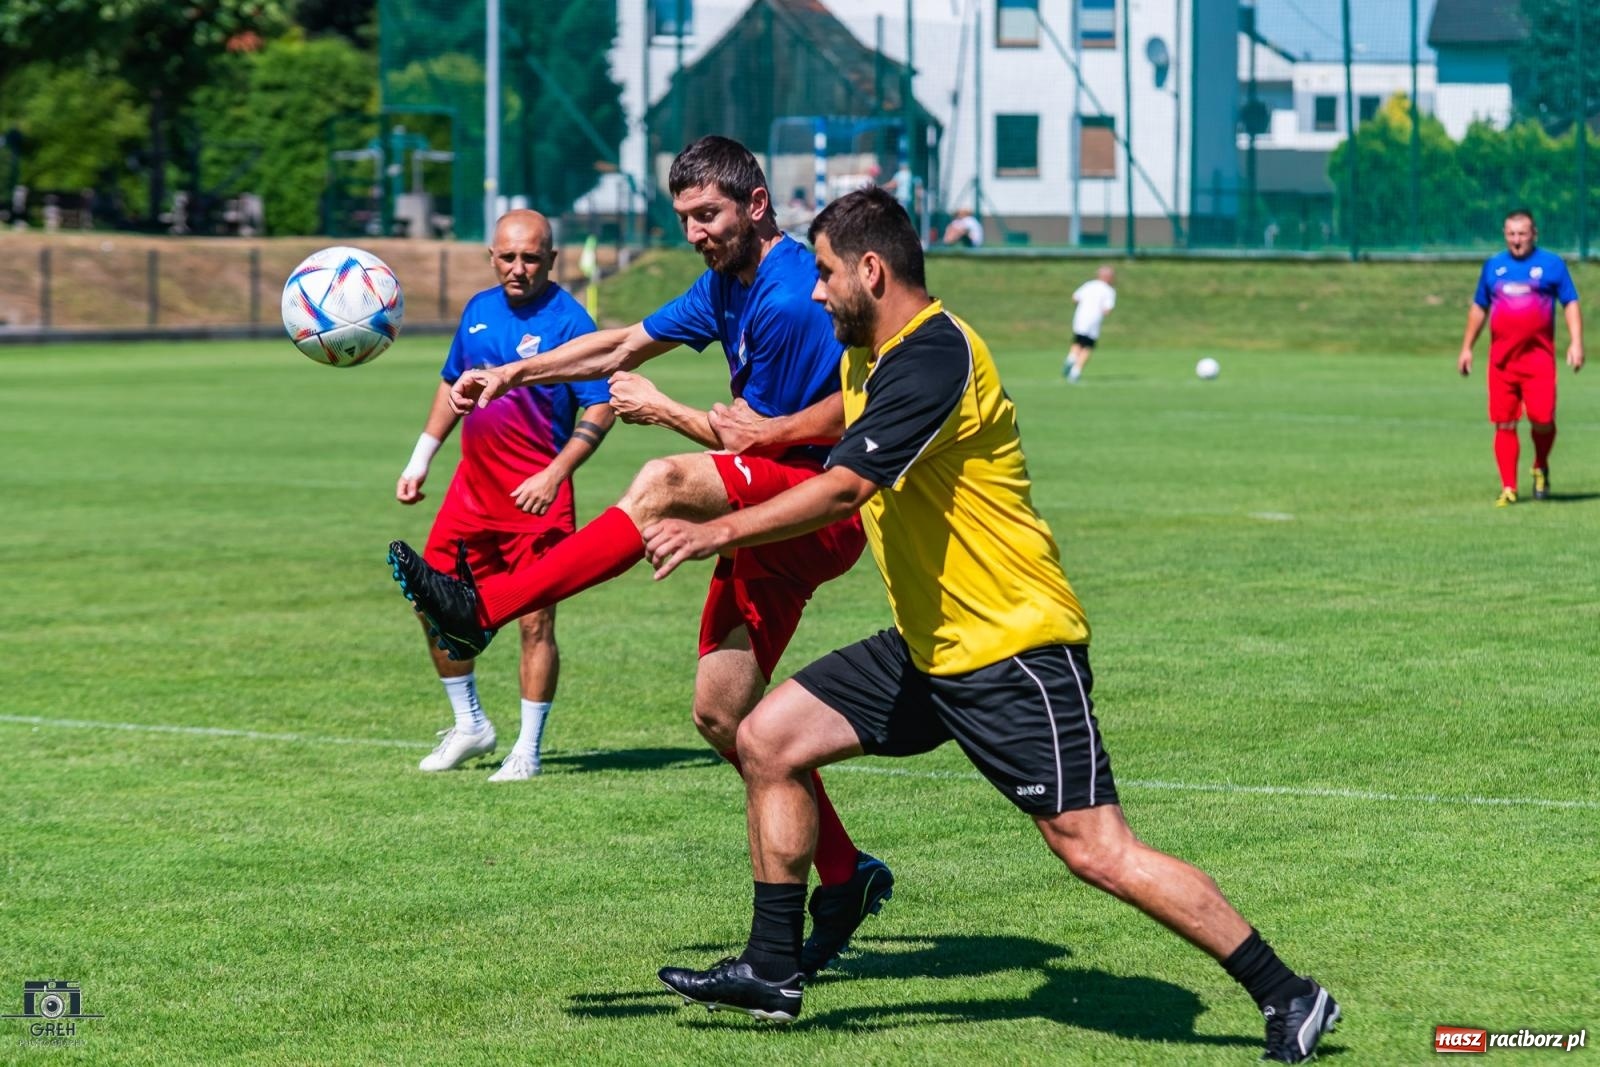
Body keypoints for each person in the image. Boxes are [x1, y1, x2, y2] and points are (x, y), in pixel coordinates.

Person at [646, 188, 1340, 1065]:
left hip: (1011, 649)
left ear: (871, 270)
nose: (815, 292)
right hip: (928, 645)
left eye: (824, 273)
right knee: (767, 738)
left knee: (1096, 849)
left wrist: (713, 529)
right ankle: (772, 968)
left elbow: (845, 487)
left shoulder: (933, 354)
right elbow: (836, 424)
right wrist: (764, 425)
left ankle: (1290, 992)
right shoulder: (869, 352)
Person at [386, 136, 894, 972]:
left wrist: (664, 409)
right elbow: (621, 344)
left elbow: (746, 436)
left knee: (658, 478)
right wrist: (515, 377)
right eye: (686, 217)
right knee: (725, 715)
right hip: (767, 516)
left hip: (815, 510)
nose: (695, 231)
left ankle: (483, 609)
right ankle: (845, 875)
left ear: (755, 205)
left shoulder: (789, 298)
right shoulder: (725, 283)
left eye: (709, 216)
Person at [395, 210, 616, 780]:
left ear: (552, 259)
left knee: (534, 624)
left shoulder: (572, 322)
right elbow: (452, 385)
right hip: (469, 497)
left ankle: (528, 749)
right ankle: (470, 725)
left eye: (532, 257)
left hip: (536, 504)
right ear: (491, 256)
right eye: (508, 257)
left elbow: (602, 405)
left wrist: (556, 474)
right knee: (431, 603)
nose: (519, 268)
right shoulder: (477, 310)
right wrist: (421, 459)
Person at [1457, 208, 1584, 506]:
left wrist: (1576, 342)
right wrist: (1466, 347)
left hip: (1538, 361)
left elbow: (1570, 302)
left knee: (1542, 419)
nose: (1516, 240)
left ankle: (1540, 464)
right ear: (1505, 235)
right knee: (1504, 423)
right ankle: (1509, 487)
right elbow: (1479, 308)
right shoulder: (1493, 267)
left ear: (1534, 234)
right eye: (1511, 234)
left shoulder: (1551, 265)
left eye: (1522, 234)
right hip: (1502, 362)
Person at [1064, 265, 1117, 383]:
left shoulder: (1089, 285)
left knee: (1078, 341)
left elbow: (1075, 298)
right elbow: (1107, 310)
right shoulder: (1109, 290)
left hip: (1080, 317)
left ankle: (1071, 358)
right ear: (1108, 277)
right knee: (1088, 346)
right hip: (1094, 320)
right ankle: (1075, 372)